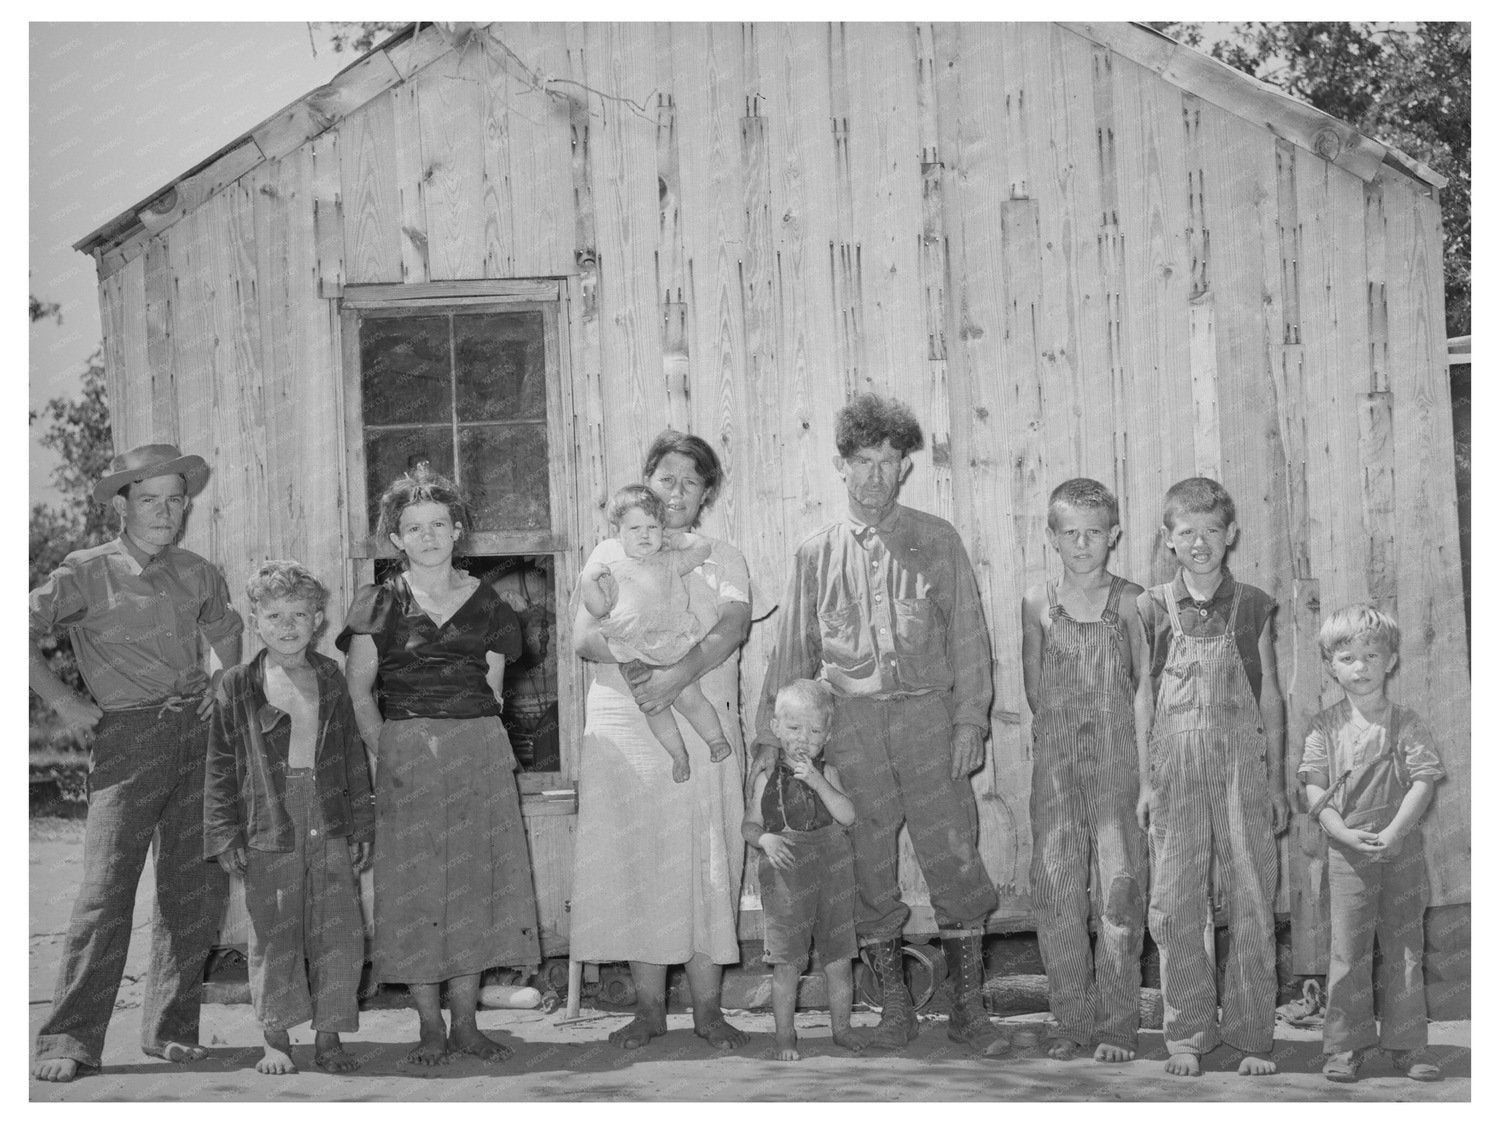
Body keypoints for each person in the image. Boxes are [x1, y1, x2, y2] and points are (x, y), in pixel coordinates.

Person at [751, 393, 1005, 1057]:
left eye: (887, 463)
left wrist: (970, 720)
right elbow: (790, 661)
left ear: (904, 470)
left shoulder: (937, 540)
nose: (874, 476)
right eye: (862, 462)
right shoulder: (815, 554)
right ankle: (894, 1008)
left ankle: (969, 1006)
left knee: (953, 855)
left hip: (928, 718)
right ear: (841, 468)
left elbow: (970, 640)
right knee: (867, 866)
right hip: (852, 728)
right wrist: (768, 746)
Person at [29, 443, 243, 1083]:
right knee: (105, 890)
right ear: (121, 506)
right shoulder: (84, 572)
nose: (165, 511)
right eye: (149, 499)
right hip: (128, 737)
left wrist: (222, 682)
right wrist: (63, 701)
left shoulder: (198, 571)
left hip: (197, 734)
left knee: (194, 889)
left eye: (175, 499)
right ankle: (68, 1037)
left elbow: (227, 630)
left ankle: (170, 1029)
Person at [338, 466, 538, 1066]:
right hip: (408, 754)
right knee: (416, 891)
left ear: (457, 531)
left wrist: (467, 744)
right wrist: (390, 752)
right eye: (412, 527)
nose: (427, 536)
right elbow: (358, 694)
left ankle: (468, 1025)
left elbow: (495, 693)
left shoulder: (490, 603)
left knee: (475, 886)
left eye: (438, 525)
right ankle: (428, 1025)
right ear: (396, 539)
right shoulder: (379, 602)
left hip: (476, 750)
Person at [570, 431, 753, 1051]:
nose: (677, 492)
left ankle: (708, 1012)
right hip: (628, 717)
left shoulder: (721, 555)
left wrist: (679, 674)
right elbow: (583, 638)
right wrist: (640, 669)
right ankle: (649, 1011)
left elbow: (731, 628)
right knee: (641, 859)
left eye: (692, 482)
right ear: (648, 482)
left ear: (707, 494)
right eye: (666, 479)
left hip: (702, 719)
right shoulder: (609, 552)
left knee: (706, 861)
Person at [1134, 476, 1289, 1077]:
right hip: (1174, 766)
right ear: (1168, 540)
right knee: (1176, 899)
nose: (1199, 543)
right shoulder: (1149, 607)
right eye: (1186, 532)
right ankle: (1188, 1032)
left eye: (1211, 531)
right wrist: (1147, 780)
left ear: (1231, 536)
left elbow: (1270, 695)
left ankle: (1251, 1031)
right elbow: (1143, 697)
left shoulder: (1253, 604)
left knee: (1252, 890)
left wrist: (1275, 782)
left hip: (1241, 769)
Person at [204, 561, 374, 1075]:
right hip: (268, 818)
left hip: (329, 809)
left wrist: (362, 822)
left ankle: (329, 1035)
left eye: (299, 614)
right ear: (256, 620)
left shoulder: (330, 676)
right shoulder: (238, 684)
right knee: (274, 929)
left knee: (338, 927)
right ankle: (275, 1036)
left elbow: (350, 753)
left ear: (318, 619)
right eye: (275, 615)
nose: (287, 625)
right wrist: (225, 832)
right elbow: (219, 764)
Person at [1020, 478, 1150, 1063]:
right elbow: (1033, 686)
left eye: (1093, 533)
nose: (1081, 544)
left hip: (1119, 761)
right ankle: (1071, 1020)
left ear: (1113, 536)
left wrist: (1144, 768)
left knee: (1120, 890)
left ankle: (1118, 1024)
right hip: (1057, 766)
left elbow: (1146, 687)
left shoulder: (1133, 601)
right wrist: (1060, 740)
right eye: (1069, 533)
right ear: (1052, 537)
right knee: (1056, 890)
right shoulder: (1035, 604)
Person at [1299, 604, 1445, 1083]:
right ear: (1330, 665)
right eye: (1347, 658)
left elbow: (1423, 781)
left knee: (1405, 947)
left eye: (1371, 655)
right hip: (1346, 856)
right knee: (1348, 951)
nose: (1359, 667)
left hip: (1400, 852)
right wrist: (1340, 831)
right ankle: (1344, 1046)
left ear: (1391, 660)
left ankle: (1407, 1045)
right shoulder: (1324, 727)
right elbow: (1315, 786)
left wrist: (1393, 833)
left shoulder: (1407, 723)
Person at [742, 680, 864, 1061]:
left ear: (827, 735)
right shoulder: (765, 777)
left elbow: (848, 814)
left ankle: (842, 1029)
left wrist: (816, 779)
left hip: (831, 866)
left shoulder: (827, 771)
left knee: (839, 957)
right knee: (786, 960)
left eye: (814, 732)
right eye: (794, 729)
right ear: (776, 729)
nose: (803, 740)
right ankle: (784, 1036)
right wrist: (765, 840)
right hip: (786, 869)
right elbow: (748, 825)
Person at [579, 484, 733, 782]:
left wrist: (676, 540)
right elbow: (597, 610)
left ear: (663, 529)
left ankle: (715, 739)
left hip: (671, 644)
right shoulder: (611, 568)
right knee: (654, 706)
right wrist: (588, 581)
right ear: (618, 533)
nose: (645, 535)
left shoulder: (669, 559)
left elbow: (702, 550)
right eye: (635, 528)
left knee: (689, 696)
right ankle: (678, 754)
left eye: (653, 527)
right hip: (633, 652)